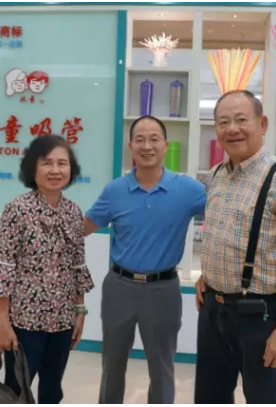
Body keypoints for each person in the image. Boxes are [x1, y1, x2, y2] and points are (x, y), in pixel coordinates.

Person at [194, 90, 276, 404]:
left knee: (264, 398)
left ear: (262, 124)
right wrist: (207, 276)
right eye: (223, 122)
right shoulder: (216, 176)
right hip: (213, 310)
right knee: (209, 397)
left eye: (241, 120)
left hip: (261, 315)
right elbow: (221, 236)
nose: (232, 129)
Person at [84, 115, 206, 404]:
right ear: (131, 146)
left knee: (162, 367)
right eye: (140, 140)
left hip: (164, 289)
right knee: (112, 364)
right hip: (119, 287)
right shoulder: (114, 191)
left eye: (154, 139)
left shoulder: (188, 190)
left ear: (165, 145)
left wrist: (211, 270)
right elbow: (81, 228)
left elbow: (224, 222)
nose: (147, 146)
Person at [0, 135, 94, 404]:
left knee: (52, 388)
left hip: (63, 318)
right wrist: (3, 323)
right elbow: (4, 267)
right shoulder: (17, 209)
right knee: (16, 389)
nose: (55, 170)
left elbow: (78, 264)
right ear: (33, 168)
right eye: (47, 163)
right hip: (25, 320)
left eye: (62, 163)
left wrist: (80, 310)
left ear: (71, 169)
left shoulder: (73, 211)